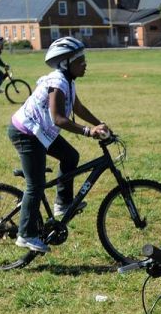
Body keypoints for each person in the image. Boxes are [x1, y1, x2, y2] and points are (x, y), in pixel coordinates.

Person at [7, 37, 110, 253]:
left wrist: (98, 123)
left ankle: (62, 204)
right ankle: (26, 234)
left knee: (70, 156)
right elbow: (59, 119)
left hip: (40, 132)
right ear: (66, 63)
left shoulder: (68, 81)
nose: (85, 64)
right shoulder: (58, 82)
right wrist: (88, 131)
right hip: (26, 133)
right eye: (80, 60)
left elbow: (78, 108)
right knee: (35, 185)